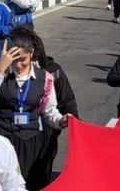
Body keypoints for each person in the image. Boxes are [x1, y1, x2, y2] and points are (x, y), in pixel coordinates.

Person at [0, 32, 71, 190]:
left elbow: (49, 111)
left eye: (22, 59)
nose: (17, 65)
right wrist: (1, 69)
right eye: (13, 60)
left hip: (31, 141)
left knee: (30, 184)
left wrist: (60, 121)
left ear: (31, 54)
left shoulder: (46, 78)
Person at [19, 27, 79, 190]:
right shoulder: (4, 72)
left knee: (41, 174)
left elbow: (67, 98)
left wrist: (73, 121)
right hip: (14, 134)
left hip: (46, 131)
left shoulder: (52, 71)